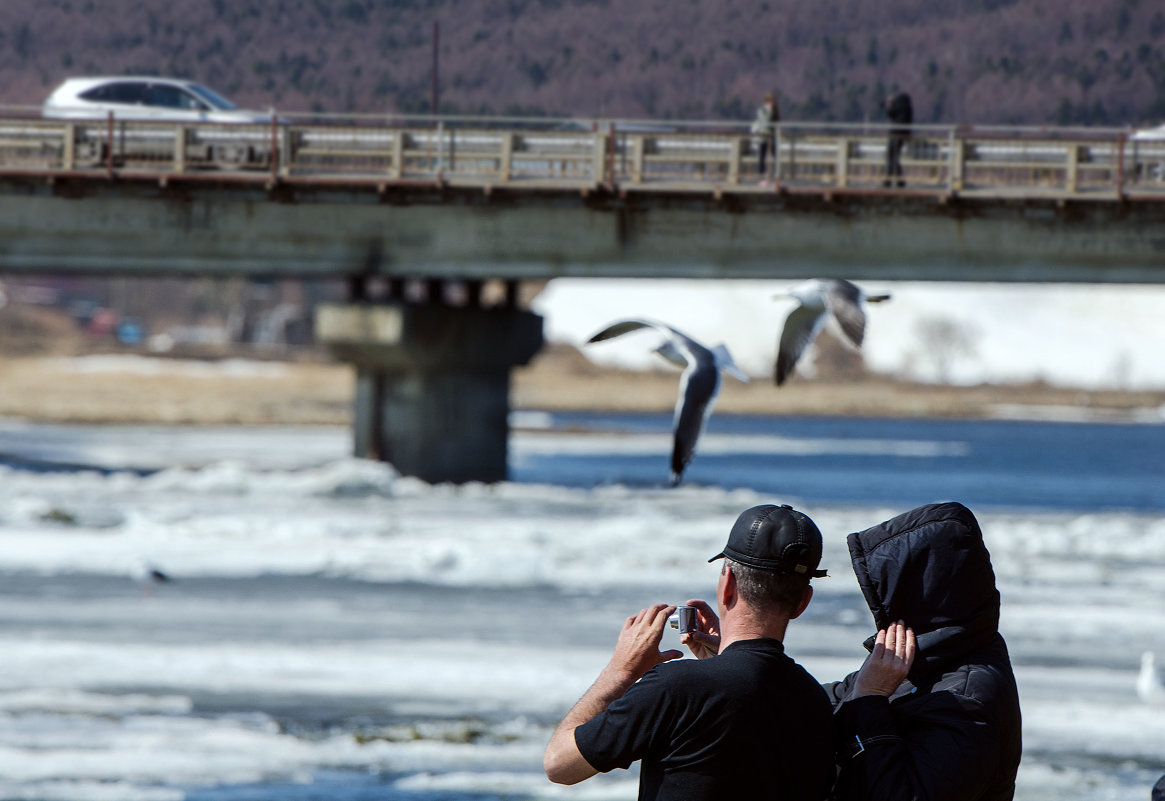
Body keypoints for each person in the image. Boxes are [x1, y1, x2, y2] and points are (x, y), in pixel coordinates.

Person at [543, 503, 835, 800]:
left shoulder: (676, 687)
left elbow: (559, 765)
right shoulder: (815, 699)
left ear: (727, 586)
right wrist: (723, 662)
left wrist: (621, 671)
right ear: (803, 602)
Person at [822, 501, 1022, 801]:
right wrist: (738, 664)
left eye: (888, 593)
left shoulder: (969, 696)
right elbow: (834, 699)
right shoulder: (927, 659)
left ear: (919, 594)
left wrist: (869, 701)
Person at [883, 91, 912, 187]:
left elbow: (891, 113)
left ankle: (889, 181)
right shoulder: (908, 107)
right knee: (895, 157)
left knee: (891, 157)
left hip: (894, 134)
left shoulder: (898, 105)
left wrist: (889, 104)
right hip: (903, 134)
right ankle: (898, 181)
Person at [752, 92, 780, 186]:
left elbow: (777, 121)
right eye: (771, 102)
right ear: (767, 102)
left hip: (771, 137)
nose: (772, 104)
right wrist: (769, 111)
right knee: (762, 158)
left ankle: (776, 177)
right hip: (762, 137)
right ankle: (761, 178)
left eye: (773, 102)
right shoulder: (761, 110)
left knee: (776, 156)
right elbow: (766, 121)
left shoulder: (774, 111)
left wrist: (774, 112)